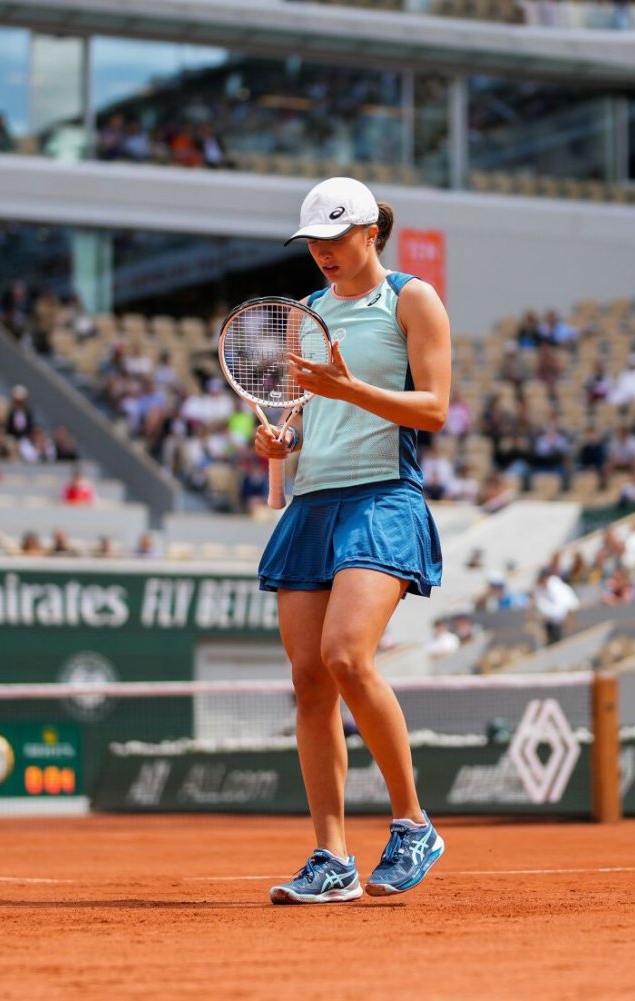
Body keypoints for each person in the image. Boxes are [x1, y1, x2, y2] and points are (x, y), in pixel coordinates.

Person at [254, 178, 448, 905]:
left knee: (345, 655)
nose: (324, 253)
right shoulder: (304, 313)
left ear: (371, 231)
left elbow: (433, 408)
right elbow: (309, 418)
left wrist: (349, 392)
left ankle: (412, 823)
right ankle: (331, 857)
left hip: (382, 495)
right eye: (314, 242)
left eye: (335, 238)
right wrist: (282, 442)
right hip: (313, 501)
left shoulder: (412, 298)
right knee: (309, 679)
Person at [532, 566, 581, 646]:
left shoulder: (556, 587)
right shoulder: (543, 589)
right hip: (556, 622)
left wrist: (541, 606)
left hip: (566, 619)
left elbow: (559, 611)